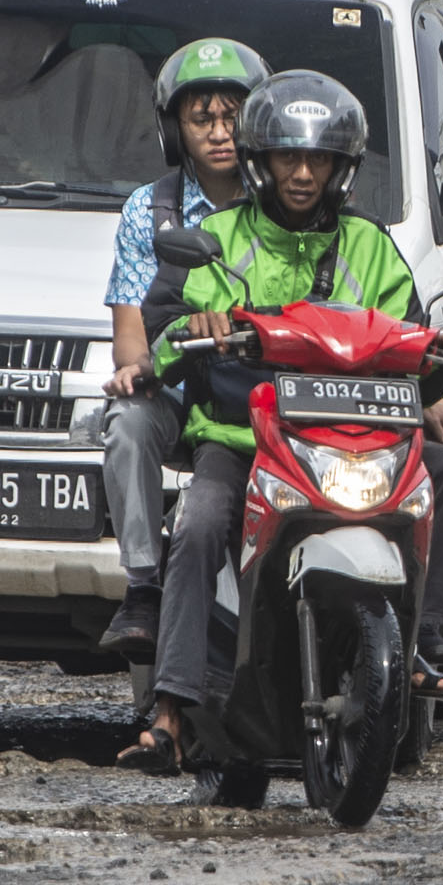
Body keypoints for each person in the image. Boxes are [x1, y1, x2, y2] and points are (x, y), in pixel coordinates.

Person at [121, 69, 443, 773]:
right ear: (261, 161)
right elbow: (160, 340)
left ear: (343, 168)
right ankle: (171, 705)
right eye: (289, 157)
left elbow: (412, 346)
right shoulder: (215, 239)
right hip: (244, 440)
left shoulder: (372, 247)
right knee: (195, 525)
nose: (303, 173)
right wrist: (199, 323)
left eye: (319, 159)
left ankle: (426, 647)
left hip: (356, 438)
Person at [98, 37, 265, 659]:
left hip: (261, 401)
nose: (220, 133)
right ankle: (142, 586)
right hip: (178, 396)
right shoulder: (150, 209)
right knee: (126, 422)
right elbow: (130, 340)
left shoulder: (287, 199)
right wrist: (137, 369)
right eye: (203, 120)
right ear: (176, 132)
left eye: (233, 118)